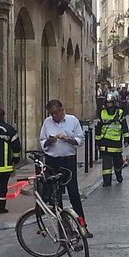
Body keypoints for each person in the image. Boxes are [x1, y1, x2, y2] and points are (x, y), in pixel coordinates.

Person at [39, 99, 93, 238]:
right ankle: (64, 228)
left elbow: (80, 140)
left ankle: (83, 226)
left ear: (62, 110)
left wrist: (67, 139)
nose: (54, 116)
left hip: (68, 161)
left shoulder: (72, 120)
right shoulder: (47, 122)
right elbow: (42, 142)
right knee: (56, 196)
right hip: (52, 161)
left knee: (73, 193)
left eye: (56, 113)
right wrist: (49, 141)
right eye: (52, 114)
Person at [95, 93, 129, 187]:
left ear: (114, 103)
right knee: (106, 164)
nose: (108, 105)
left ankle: (118, 174)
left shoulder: (120, 112)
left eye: (110, 103)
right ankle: (107, 181)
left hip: (116, 143)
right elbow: (98, 128)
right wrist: (97, 141)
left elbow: (124, 127)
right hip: (105, 141)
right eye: (107, 103)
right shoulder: (102, 113)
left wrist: (126, 139)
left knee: (118, 163)